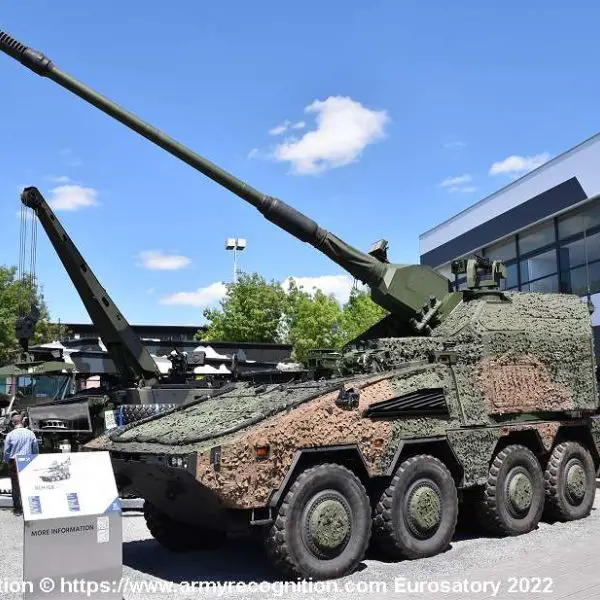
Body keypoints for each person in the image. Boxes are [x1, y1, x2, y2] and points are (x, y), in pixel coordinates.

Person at [3, 413, 38, 515]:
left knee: (15, 485)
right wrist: (35, 457)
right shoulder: (30, 433)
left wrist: (6, 460)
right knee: (28, 484)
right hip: (27, 460)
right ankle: (30, 507)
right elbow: (35, 448)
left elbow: (6, 451)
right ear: (22, 421)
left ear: (13, 423)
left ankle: (17, 509)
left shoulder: (10, 435)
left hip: (14, 461)